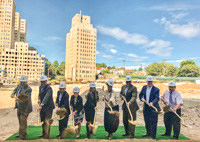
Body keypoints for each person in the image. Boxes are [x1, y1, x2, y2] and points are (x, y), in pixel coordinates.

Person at [10, 75, 32, 140]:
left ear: (26, 82)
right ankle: (22, 133)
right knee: (20, 121)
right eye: (21, 82)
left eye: (24, 82)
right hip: (19, 107)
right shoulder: (19, 85)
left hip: (25, 108)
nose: (22, 83)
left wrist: (19, 99)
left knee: (23, 121)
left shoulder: (28, 89)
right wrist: (13, 94)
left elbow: (26, 98)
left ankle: (22, 136)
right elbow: (15, 90)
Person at [139, 75, 160, 139]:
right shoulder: (144, 88)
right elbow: (140, 95)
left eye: (151, 81)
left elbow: (157, 98)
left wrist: (152, 103)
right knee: (147, 121)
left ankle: (153, 136)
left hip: (153, 108)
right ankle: (148, 133)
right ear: (146, 81)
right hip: (146, 108)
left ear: (152, 82)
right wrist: (141, 99)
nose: (149, 82)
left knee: (153, 122)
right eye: (148, 81)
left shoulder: (156, 89)